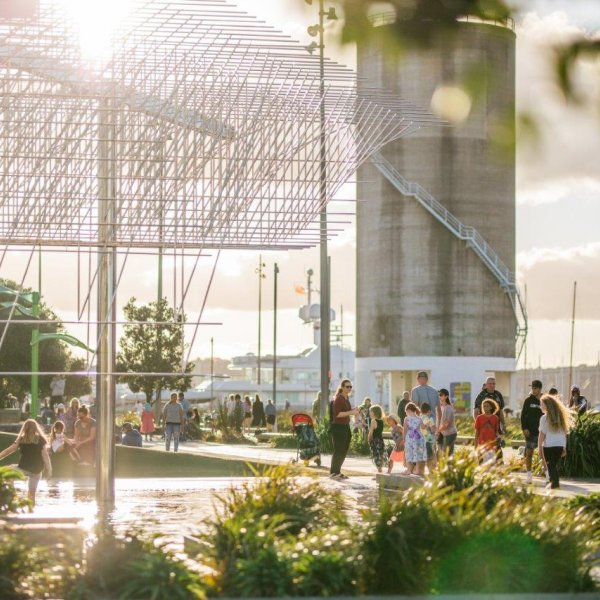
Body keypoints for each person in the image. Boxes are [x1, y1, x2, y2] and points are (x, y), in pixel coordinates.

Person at [0, 419, 52, 507]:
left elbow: (8, 451)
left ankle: (12, 496)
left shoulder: (22, 439)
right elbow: (45, 456)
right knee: (32, 494)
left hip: (23, 469)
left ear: (25, 428)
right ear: (36, 428)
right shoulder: (41, 439)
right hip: (37, 471)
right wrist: (49, 469)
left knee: (8, 472)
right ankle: (31, 511)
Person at [538, 394, 573, 489]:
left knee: (551, 466)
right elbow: (564, 434)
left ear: (547, 405)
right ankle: (553, 483)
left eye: (542, 404)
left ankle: (555, 484)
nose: (540, 406)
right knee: (553, 466)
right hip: (560, 446)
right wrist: (564, 447)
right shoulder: (560, 417)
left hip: (548, 447)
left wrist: (539, 448)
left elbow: (541, 435)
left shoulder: (544, 418)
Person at [329, 379, 360, 480]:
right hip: (338, 427)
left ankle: (337, 471)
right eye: (347, 386)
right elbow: (337, 415)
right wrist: (351, 412)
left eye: (351, 387)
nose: (349, 388)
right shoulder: (339, 399)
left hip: (345, 426)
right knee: (339, 450)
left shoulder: (346, 398)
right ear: (342, 387)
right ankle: (333, 472)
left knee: (344, 450)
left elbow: (346, 412)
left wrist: (354, 410)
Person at [521, 379, 544, 483]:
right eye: (532, 388)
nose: (533, 390)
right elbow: (523, 416)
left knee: (544, 454)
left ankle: (547, 474)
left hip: (542, 432)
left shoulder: (545, 400)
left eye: (535, 388)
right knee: (529, 453)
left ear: (539, 389)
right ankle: (529, 475)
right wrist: (524, 428)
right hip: (530, 432)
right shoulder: (528, 400)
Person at [403, 402, 427, 475]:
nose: (406, 413)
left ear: (409, 410)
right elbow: (423, 427)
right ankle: (417, 470)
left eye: (406, 412)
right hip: (418, 437)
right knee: (417, 453)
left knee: (409, 453)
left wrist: (404, 439)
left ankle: (409, 470)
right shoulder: (419, 418)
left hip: (410, 437)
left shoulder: (407, 419)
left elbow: (405, 429)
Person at [475, 398, 500, 464]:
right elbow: (477, 432)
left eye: (487, 406)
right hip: (482, 444)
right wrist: (475, 444)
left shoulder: (495, 418)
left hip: (492, 444)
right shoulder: (479, 418)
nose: (485, 408)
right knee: (482, 463)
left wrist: (499, 438)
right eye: (484, 406)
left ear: (491, 407)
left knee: (492, 463)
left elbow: (496, 431)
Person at [438, 389, 457, 456]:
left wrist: (438, 430)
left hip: (450, 434)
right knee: (441, 454)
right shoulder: (440, 407)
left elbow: (446, 424)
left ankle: (450, 466)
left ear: (446, 396)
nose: (439, 396)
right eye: (438, 395)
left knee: (447, 455)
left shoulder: (448, 408)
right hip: (442, 433)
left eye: (441, 395)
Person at [367, 404, 385, 474]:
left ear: (374, 412)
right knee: (380, 455)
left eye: (370, 411)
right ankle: (380, 470)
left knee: (376, 455)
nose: (369, 413)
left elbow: (371, 432)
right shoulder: (381, 421)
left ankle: (379, 471)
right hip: (380, 440)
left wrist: (369, 439)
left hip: (375, 441)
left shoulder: (373, 421)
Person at [420, 403, 436, 473]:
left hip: (420, 439)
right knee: (430, 456)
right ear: (429, 411)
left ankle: (421, 471)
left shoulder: (419, 417)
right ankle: (431, 471)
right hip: (428, 439)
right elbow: (433, 430)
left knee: (422, 456)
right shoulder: (429, 419)